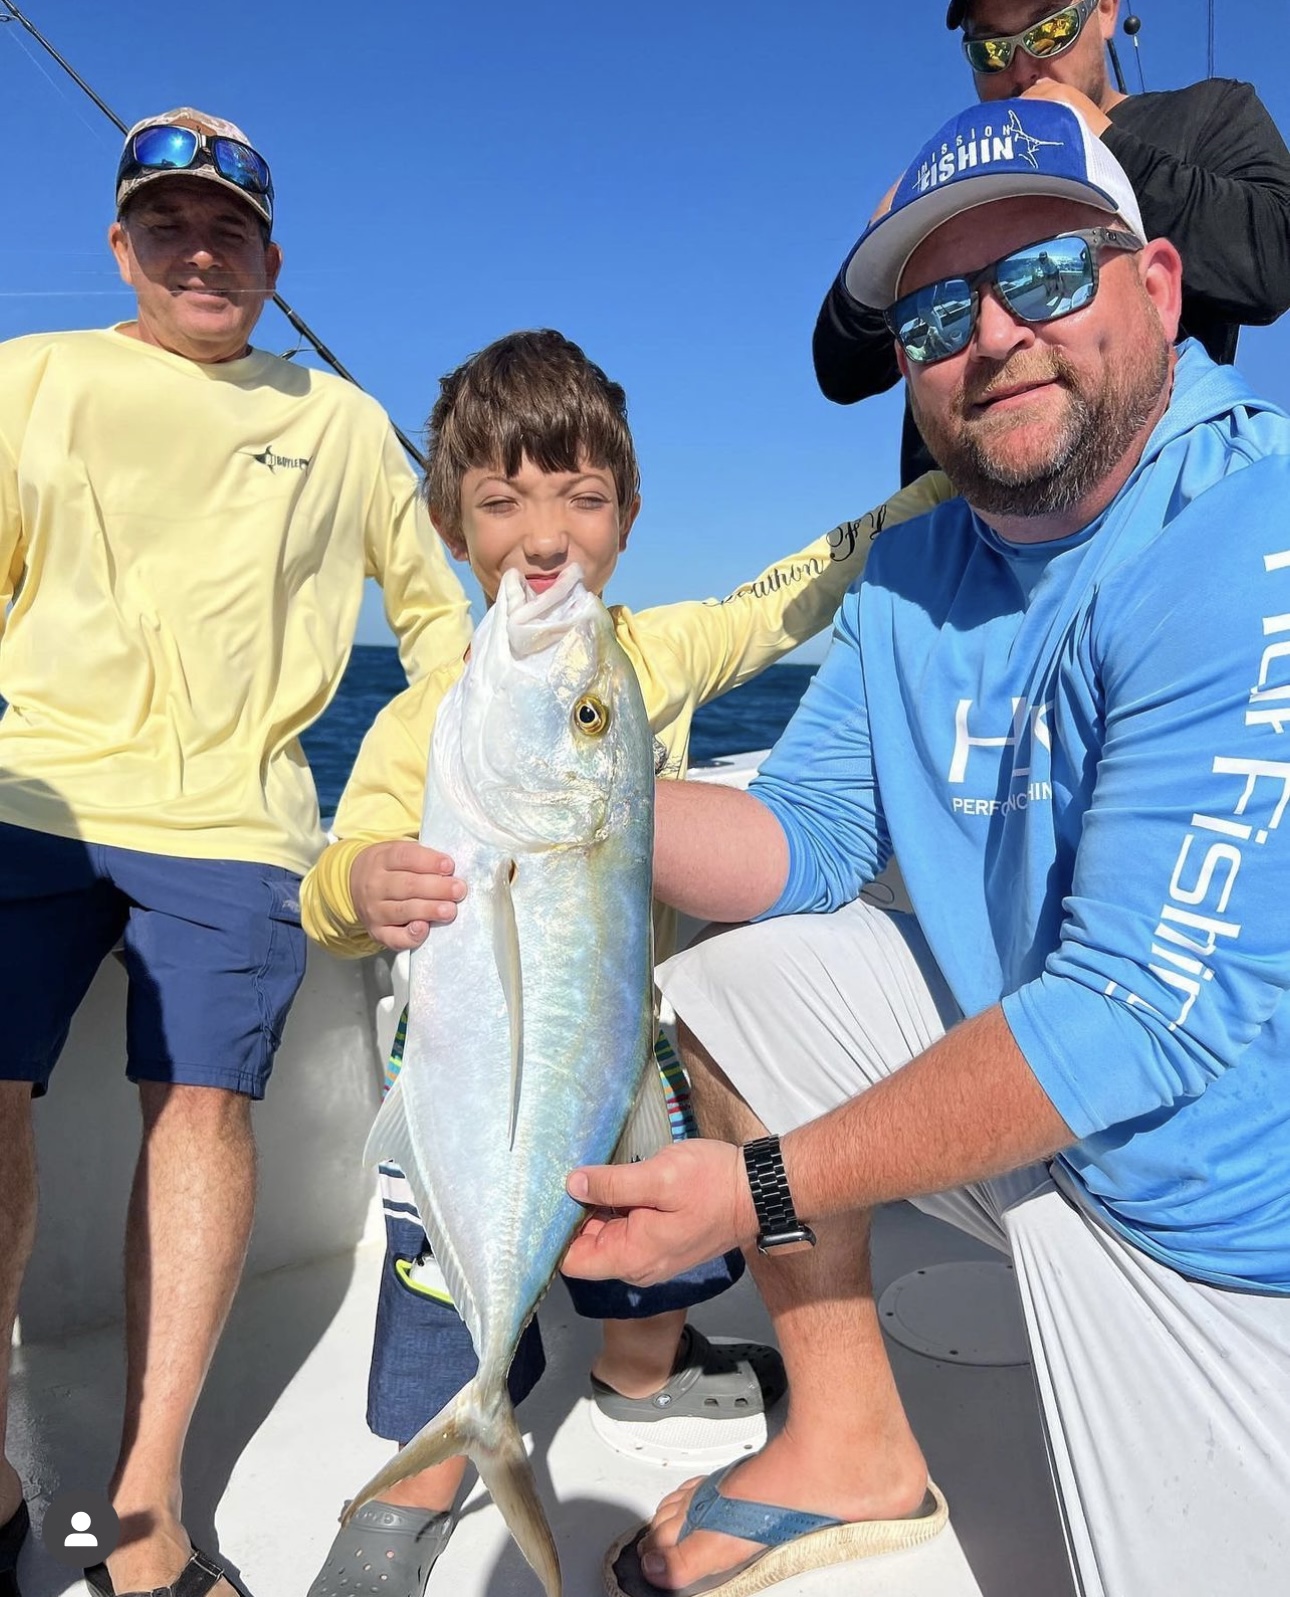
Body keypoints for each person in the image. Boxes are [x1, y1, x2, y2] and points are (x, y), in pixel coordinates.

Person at [561, 98, 1290, 1597]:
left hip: (1234, 1235)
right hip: (1045, 1130)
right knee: (741, 982)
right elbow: (812, 838)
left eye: (1042, 276)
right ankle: (845, 1444)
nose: (993, 335)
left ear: (1154, 288)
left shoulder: (1248, 526)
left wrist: (753, 1190)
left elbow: (1123, 1022)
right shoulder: (914, 566)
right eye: (939, 309)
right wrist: (568, 803)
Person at [298, 328, 950, 1597]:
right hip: (464, 1074)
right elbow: (333, 883)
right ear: (450, 526)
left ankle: (642, 1378)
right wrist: (356, 882)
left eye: (581, 498)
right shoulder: (428, 714)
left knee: (653, 1244)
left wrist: (936, 492)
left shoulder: (646, 658)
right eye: (501, 501)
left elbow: (801, 586)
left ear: (630, 515)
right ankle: (420, 1485)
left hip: (626, 1051)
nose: (544, 537)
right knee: (446, 1291)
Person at [0, 109, 472, 1597]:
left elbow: (442, 622)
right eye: (167, 226)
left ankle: (145, 1512)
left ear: (272, 259)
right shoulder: (31, 379)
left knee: (199, 1109)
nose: (197, 251)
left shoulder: (337, 422)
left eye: (228, 232)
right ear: (120, 246)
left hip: (234, 831)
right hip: (31, 798)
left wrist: (424, 792)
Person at [813, 0, 1290, 483]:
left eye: (1050, 31)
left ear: (1104, 12)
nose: (1022, 68)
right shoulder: (959, 178)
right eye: (991, 51)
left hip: (1148, 498)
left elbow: (1274, 263)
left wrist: (1100, 139)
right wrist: (888, 222)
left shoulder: (1208, 115)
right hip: (959, 528)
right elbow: (842, 369)